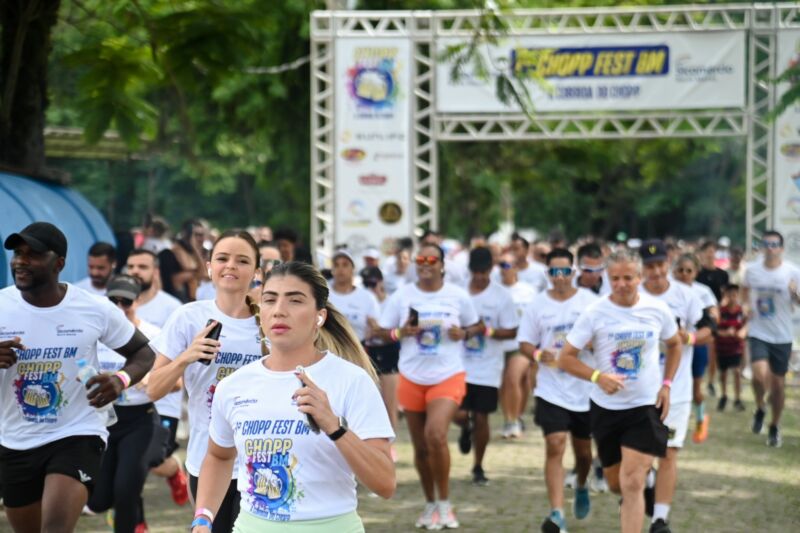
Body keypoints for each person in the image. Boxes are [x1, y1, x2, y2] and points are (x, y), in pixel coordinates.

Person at [191, 261, 395, 532]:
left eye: (295, 300)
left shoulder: (351, 381)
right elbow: (219, 456)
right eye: (270, 300)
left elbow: (385, 483)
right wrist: (203, 519)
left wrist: (334, 427)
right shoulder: (234, 385)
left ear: (319, 316)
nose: (279, 311)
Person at [0, 222, 155, 533]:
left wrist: (121, 380)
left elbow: (143, 353)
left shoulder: (92, 308)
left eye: (33, 255)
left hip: (77, 433)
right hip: (15, 439)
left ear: (59, 263)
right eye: (18, 253)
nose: (20, 261)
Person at [148, 230, 266, 533]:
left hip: (262, 458)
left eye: (242, 261)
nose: (231, 266)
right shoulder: (188, 317)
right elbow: (154, 388)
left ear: (256, 271)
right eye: (223, 258)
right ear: (209, 267)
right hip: (207, 458)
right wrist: (186, 357)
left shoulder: (269, 321)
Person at [559, 249, 682, 533]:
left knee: (632, 482)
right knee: (616, 484)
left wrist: (666, 385)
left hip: (644, 406)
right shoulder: (595, 312)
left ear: (639, 277)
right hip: (606, 409)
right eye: (615, 278)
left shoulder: (656, 309)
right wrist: (597, 376)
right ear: (607, 278)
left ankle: (641, 489)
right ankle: (642, 485)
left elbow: (675, 344)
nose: (622, 284)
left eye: (628, 277)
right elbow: (566, 357)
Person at [378, 243, 482, 530]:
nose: (425, 264)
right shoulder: (403, 295)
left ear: (441, 264)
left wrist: (465, 332)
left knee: (435, 434)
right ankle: (430, 504)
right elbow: (379, 332)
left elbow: (478, 327)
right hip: (411, 376)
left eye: (431, 260)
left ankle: (446, 504)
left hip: (448, 374)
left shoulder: (457, 296)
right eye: (420, 259)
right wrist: (401, 332)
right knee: (421, 447)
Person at [518, 248, 597, 533]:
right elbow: (525, 343)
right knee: (555, 445)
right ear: (548, 274)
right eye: (554, 272)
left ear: (574, 272)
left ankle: (580, 483)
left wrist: (590, 345)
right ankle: (557, 513)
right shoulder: (537, 305)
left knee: (584, 453)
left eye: (565, 271)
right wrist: (540, 356)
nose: (560, 277)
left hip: (585, 388)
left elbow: (603, 337)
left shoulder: (590, 302)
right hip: (551, 388)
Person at [640, 241, 711, 533]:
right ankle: (647, 483)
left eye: (660, 265)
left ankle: (660, 519)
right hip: (638, 388)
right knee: (640, 453)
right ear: (642, 267)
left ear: (667, 263)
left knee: (668, 452)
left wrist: (690, 338)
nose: (656, 272)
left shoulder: (687, 296)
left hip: (675, 388)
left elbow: (708, 329)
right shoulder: (632, 295)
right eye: (649, 266)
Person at [87, 275, 162, 533]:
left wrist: (149, 377)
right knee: (98, 500)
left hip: (140, 420)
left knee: (126, 491)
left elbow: (175, 381)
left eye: (126, 301)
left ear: (138, 301)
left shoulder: (152, 335)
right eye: (113, 300)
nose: (119, 307)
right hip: (104, 419)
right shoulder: (96, 330)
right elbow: (79, 365)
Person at [124, 249, 189, 506]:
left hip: (164, 402)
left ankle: (173, 468)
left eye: (142, 266)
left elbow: (181, 359)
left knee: (150, 461)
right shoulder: (118, 304)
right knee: (128, 466)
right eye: (131, 266)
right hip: (128, 402)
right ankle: (132, 519)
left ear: (156, 272)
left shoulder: (173, 309)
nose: (136, 271)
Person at [455, 247, 518, 486]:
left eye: (485, 272)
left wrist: (487, 330)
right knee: (455, 412)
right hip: (457, 364)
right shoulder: (458, 292)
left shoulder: (501, 296)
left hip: (488, 367)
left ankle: (478, 465)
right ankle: (465, 426)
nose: (480, 277)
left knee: (483, 418)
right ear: (470, 270)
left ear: (491, 270)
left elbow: (512, 330)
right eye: (476, 272)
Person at [742, 230, 800, 447]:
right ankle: (759, 406)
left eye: (775, 244)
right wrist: (745, 307)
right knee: (758, 375)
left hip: (782, 335)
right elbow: (744, 291)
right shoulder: (752, 270)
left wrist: (794, 294)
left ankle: (774, 425)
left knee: (777, 386)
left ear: (781, 249)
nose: (771, 248)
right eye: (767, 244)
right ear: (762, 247)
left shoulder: (792, 272)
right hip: (758, 332)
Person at [672, 253, 718, 444]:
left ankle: (700, 419)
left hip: (696, 345)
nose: (684, 274)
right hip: (672, 348)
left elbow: (713, 319)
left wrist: (694, 335)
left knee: (695, 389)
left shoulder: (703, 291)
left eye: (689, 271)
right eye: (680, 270)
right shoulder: (669, 290)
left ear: (696, 272)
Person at [495, 252, 538, 439]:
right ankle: (509, 418)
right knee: (505, 385)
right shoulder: (494, 290)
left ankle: (515, 419)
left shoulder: (528, 291)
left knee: (514, 379)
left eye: (508, 265)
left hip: (521, 344)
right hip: (498, 344)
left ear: (516, 267)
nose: (504, 269)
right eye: (501, 265)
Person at [360, 266, 401, 459]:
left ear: (381, 282)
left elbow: (396, 331)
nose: (370, 288)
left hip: (389, 352)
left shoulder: (390, 303)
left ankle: (390, 445)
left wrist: (380, 331)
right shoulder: (365, 301)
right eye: (366, 283)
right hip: (370, 351)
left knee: (389, 402)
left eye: (373, 283)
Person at [696, 241, 729, 397]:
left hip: (715, 315)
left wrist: (719, 307)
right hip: (697, 315)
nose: (710, 254)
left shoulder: (722, 274)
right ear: (702, 253)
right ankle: (699, 379)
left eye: (713, 251)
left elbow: (725, 295)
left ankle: (711, 381)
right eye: (707, 251)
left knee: (712, 351)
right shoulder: (696, 273)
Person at [716, 284, 747, 412]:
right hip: (722, 348)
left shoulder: (741, 311)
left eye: (734, 295)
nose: (732, 298)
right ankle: (723, 396)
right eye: (729, 295)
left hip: (736, 348)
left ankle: (737, 398)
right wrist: (725, 333)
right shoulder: (720, 311)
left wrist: (741, 334)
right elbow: (714, 330)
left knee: (737, 372)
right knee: (723, 373)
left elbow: (745, 327)